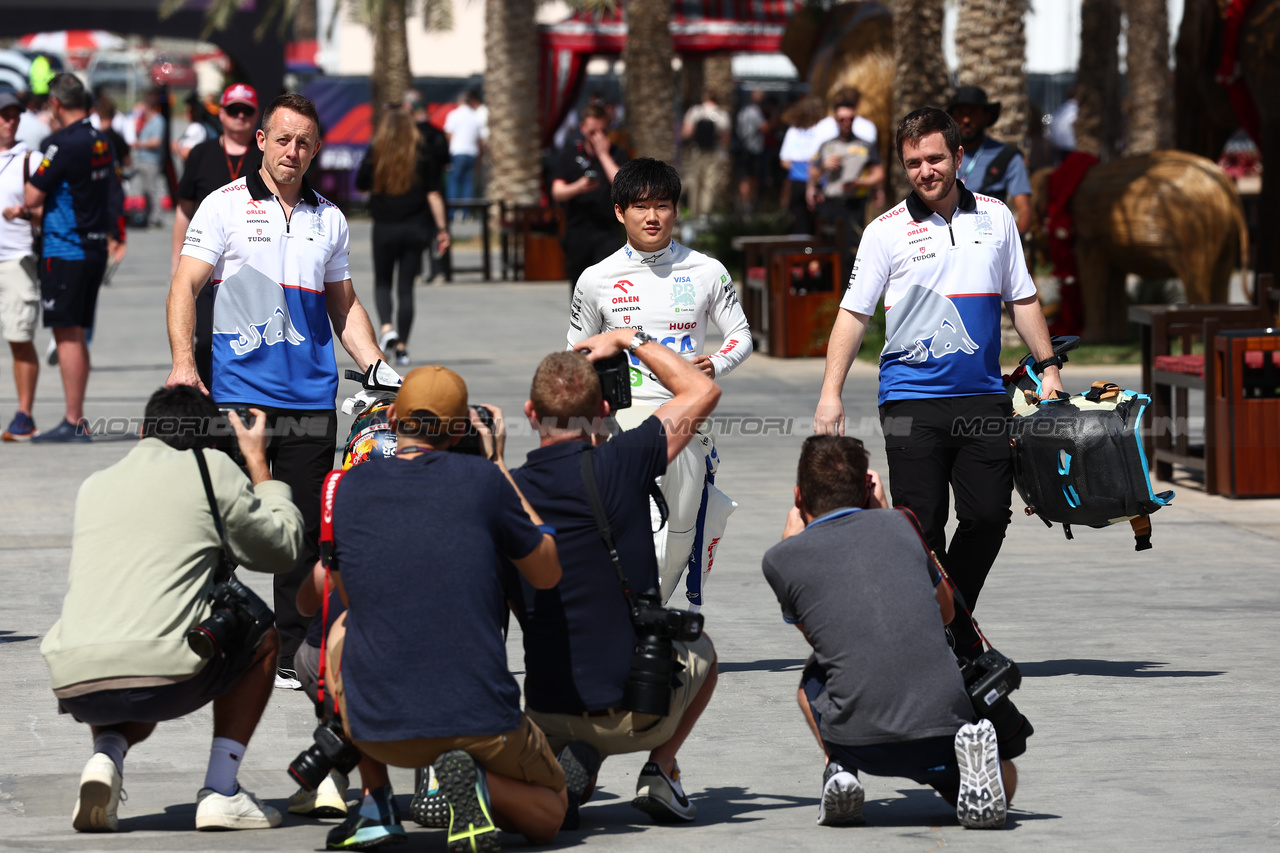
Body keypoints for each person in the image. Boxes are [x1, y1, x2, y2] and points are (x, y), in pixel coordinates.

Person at [813, 107, 1064, 661]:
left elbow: (1021, 298)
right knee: (920, 527)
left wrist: (1048, 367)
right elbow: (853, 315)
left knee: (986, 517)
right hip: (908, 399)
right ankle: (952, 634)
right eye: (912, 163)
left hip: (981, 397)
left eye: (933, 159)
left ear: (958, 157)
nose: (924, 171)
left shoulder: (997, 218)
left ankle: (947, 621)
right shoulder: (883, 232)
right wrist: (831, 391)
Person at [166, 91, 386, 691]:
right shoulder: (224, 206)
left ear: (316, 149)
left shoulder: (330, 218)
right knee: (225, 529)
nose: (292, 151)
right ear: (261, 140)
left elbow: (343, 304)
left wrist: (375, 366)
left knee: (304, 537)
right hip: (239, 396)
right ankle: (213, 639)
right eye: (282, 138)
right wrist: (185, 363)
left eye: (304, 142)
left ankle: (291, 652)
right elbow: (185, 286)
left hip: (312, 401)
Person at [324, 365, 567, 850]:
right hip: (481, 723)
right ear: (462, 429)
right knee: (552, 809)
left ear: (392, 418)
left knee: (346, 625)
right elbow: (547, 572)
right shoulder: (483, 481)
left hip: (378, 730)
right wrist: (497, 464)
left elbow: (349, 595)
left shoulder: (349, 487)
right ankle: (478, 785)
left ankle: (377, 803)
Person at [40, 385, 304, 832]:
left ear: (144, 431)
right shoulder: (212, 468)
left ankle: (105, 757)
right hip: (161, 676)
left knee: (125, 637)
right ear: (212, 437)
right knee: (261, 635)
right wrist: (258, 463)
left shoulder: (95, 484)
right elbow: (283, 550)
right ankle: (221, 791)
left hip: (75, 679)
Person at [510, 330, 721, 828]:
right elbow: (700, 391)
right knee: (703, 650)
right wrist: (629, 338)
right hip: (635, 714)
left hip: (544, 710)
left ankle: (562, 766)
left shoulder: (506, 491)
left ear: (529, 413)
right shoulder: (623, 461)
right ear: (604, 409)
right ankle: (659, 770)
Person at [762, 434, 1024, 829]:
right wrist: (885, 511)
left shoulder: (781, 559)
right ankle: (971, 767)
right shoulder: (903, 524)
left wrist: (790, 543)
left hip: (861, 741)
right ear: (868, 487)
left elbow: (824, 638)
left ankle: (841, 769)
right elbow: (946, 612)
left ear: (800, 497)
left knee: (815, 675)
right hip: (940, 730)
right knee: (1006, 780)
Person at [568, 157, 752, 609]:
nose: (652, 217)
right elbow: (574, 355)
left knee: (679, 536)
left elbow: (741, 336)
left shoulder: (707, 270)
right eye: (640, 207)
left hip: (687, 422)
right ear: (618, 211)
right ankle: (628, 624)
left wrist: (714, 367)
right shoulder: (595, 279)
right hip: (621, 424)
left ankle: (647, 617)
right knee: (637, 527)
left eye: (663, 206)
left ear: (676, 210)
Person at [24, 73, 115, 443]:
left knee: (67, 335)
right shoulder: (100, 140)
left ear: (56, 103)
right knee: (76, 333)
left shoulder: (60, 143)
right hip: (93, 247)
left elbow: (32, 197)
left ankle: (73, 420)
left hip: (65, 249)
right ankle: (76, 418)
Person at [169, 83, 263, 392]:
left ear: (256, 117)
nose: (239, 117)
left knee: (252, 338)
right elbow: (184, 210)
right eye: (233, 110)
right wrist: (177, 260)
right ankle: (208, 399)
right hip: (206, 263)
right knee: (206, 338)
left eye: (246, 111)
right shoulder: (202, 154)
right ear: (220, 114)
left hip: (251, 267)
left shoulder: (265, 156)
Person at [355, 107, 451, 367]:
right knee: (406, 287)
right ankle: (403, 348)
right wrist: (442, 230)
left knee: (383, 282)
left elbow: (360, 183)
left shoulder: (377, 154)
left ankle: (387, 327)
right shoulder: (423, 155)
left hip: (385, 227)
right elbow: (433, 194)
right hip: (415, 228)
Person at [0, 91, 43, 441]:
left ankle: (24, 414)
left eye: (14, 115)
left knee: (19, 338)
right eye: (3, 115)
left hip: (16, 260)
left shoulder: (30, 159)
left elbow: (52, 207)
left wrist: (26, 212)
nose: (9, 121)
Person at [551, 104, 627, 297]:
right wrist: (578, 187)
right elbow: (557, 191)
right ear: (582, 128)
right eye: (593, 132)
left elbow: (623, 185)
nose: (597, 137)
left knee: (606, 286)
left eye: (602, 131)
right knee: (580, 287)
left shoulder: (617, 154)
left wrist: (603, 155)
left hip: (607, 231)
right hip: (578, 230)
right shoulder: (569, 154)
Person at [806, 95, 885, 283]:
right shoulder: (827, 145)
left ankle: (847, 290)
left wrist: (861, 183)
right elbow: (813, 173)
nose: (846, 123)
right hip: (831, 202)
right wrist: (823, 167)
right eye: (842, 119)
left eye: (850, 119)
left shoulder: (865, 145)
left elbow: (879, 173)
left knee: (852, 249)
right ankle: (827, 290)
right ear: (836, 120)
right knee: (827, 248)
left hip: (854, 203)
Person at [947, 86, 1032, 234]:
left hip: (988, 238)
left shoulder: (1007, 156)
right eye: (960, 113)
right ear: (952, 118)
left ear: (985, 117)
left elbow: (1025, 212)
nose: (966, 120)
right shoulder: (940, 155)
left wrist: (1008, 248)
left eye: (972, 113)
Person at [778, 96, 835, 233]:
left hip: (797, 181)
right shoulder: (824, 129)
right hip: (819, 180)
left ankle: (800, 252)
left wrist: (799, 169)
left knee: (799, 221)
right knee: (820, 222)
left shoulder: (793, 130)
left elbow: (784, 160)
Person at [680, 90, 731, 220]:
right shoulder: (722, 115)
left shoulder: (695, 111)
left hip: (696, 151)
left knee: (694, 182)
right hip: (714, 153)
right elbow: (725, 139)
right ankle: (704, 215)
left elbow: (687, 133)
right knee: (709, 184)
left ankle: (693, 214)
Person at [442, 89, 484, 216]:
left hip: (457, 153)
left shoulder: (454, 115)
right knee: (468, 183)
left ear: (460, 102)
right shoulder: (475, 117)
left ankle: (452, 212)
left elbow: (448, 135)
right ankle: (466, 213)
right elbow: (480, 140)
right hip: (472, 154)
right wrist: (480, 158)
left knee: (454, 182)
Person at [132, 92, 167, 228]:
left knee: (153, 189)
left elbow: (156, 141)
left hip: (151, 160)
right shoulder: (145, 121)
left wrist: (140, 144)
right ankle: (148, 215)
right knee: (145, 190)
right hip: (143, 158)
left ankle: (156, 217)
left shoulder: (158, 120)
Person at [735, 89, 769, 214]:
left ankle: (743, 205)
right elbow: (764, 128)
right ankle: (747, 205)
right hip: (753, 150)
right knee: (751, 179)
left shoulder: (742, 112)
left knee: (745, 178)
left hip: (744, 149)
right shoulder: (755, 112)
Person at [172, 92, 210, 162]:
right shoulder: (195, 127)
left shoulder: (195, 128)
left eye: (187, 110)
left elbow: (186, 153)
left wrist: (176, 147)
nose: (185, 112)